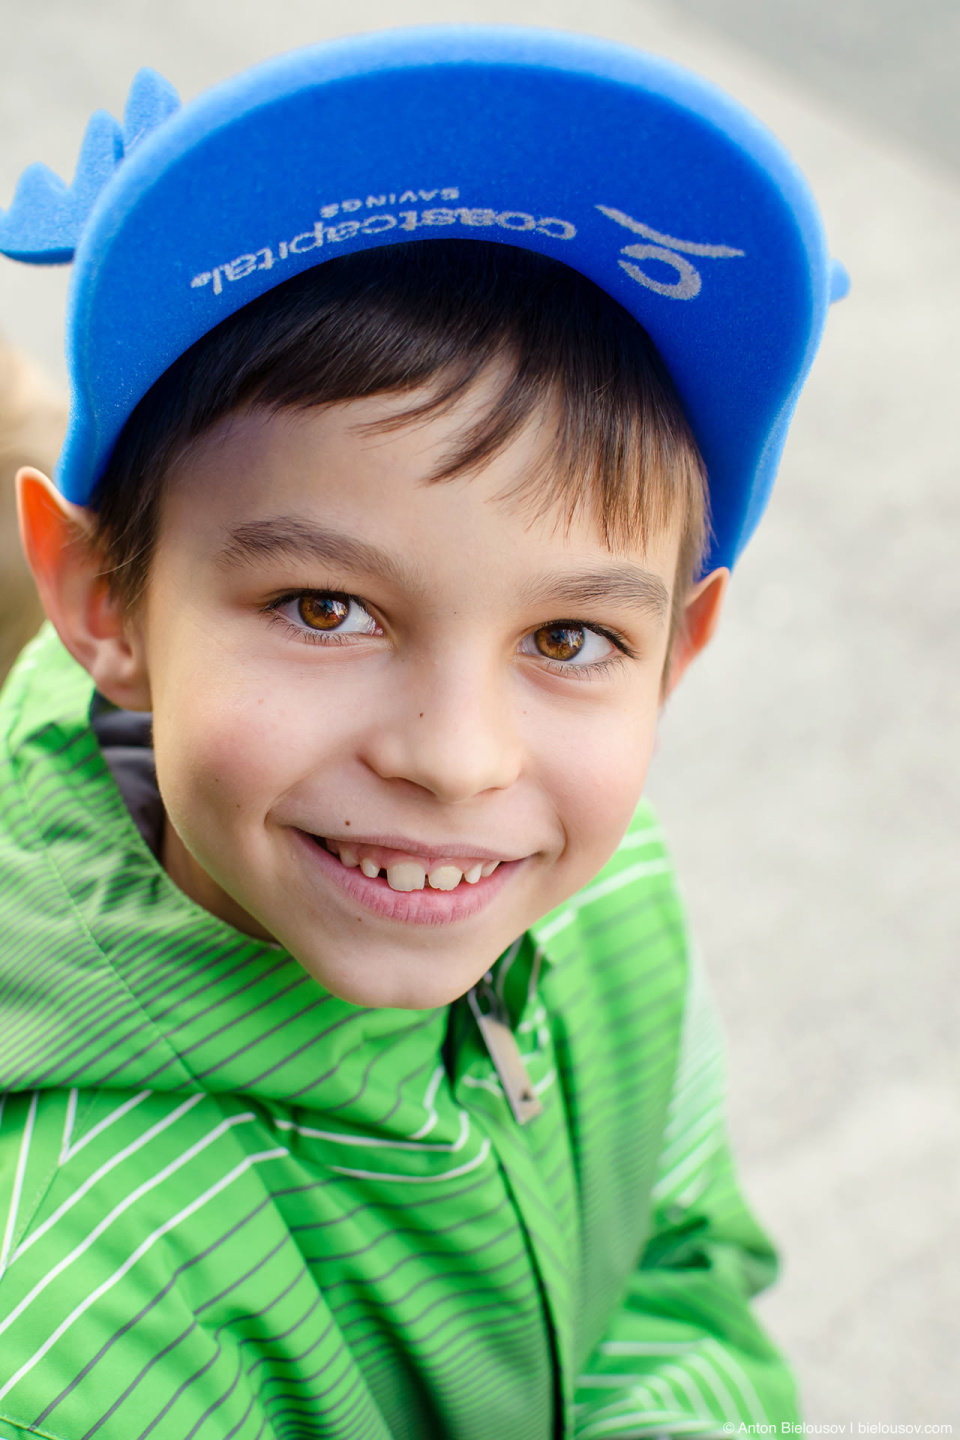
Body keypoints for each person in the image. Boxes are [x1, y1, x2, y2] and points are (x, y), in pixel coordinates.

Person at [0, 28, 846, 1438]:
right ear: (104, 598)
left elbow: (673, 1270)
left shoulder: (607, 887)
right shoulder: (74, 1322)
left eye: (569, 641)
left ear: (675, 655)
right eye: (327, 608)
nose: (459, 761)